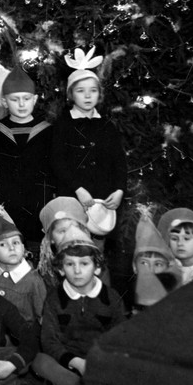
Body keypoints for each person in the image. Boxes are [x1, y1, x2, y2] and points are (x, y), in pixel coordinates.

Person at [33, 228, 125, 385]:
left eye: (84, 263)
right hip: (67, 363)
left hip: (101, 363)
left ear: (96, 267)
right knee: (40, 361)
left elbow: (119, 338)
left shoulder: (111, 298)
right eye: (70, 264)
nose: (77, 271)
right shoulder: (54, 299)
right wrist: (76, 362)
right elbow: (49, 341)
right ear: (61, 269)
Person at [51, 47, 126, 241]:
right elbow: (57, 162)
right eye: (80, 91)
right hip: (73, 196)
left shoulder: (107, 126)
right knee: (72, 243)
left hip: (102, 200)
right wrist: (78, 189)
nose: (87, 96)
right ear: (70, 95)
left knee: (96, 249)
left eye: (93, 91)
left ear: (99, 94)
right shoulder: (63, 125)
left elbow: (119, 161)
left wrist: (119, 190)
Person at [0, 66, 56, 250]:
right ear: (4, 102)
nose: (21, 104)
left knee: (38, 248)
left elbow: (53, 166)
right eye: (15, 99)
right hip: (8, 202)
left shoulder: (47, 131)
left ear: (35, 100)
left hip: (39, 201)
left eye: (26, 99)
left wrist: (4, 165)